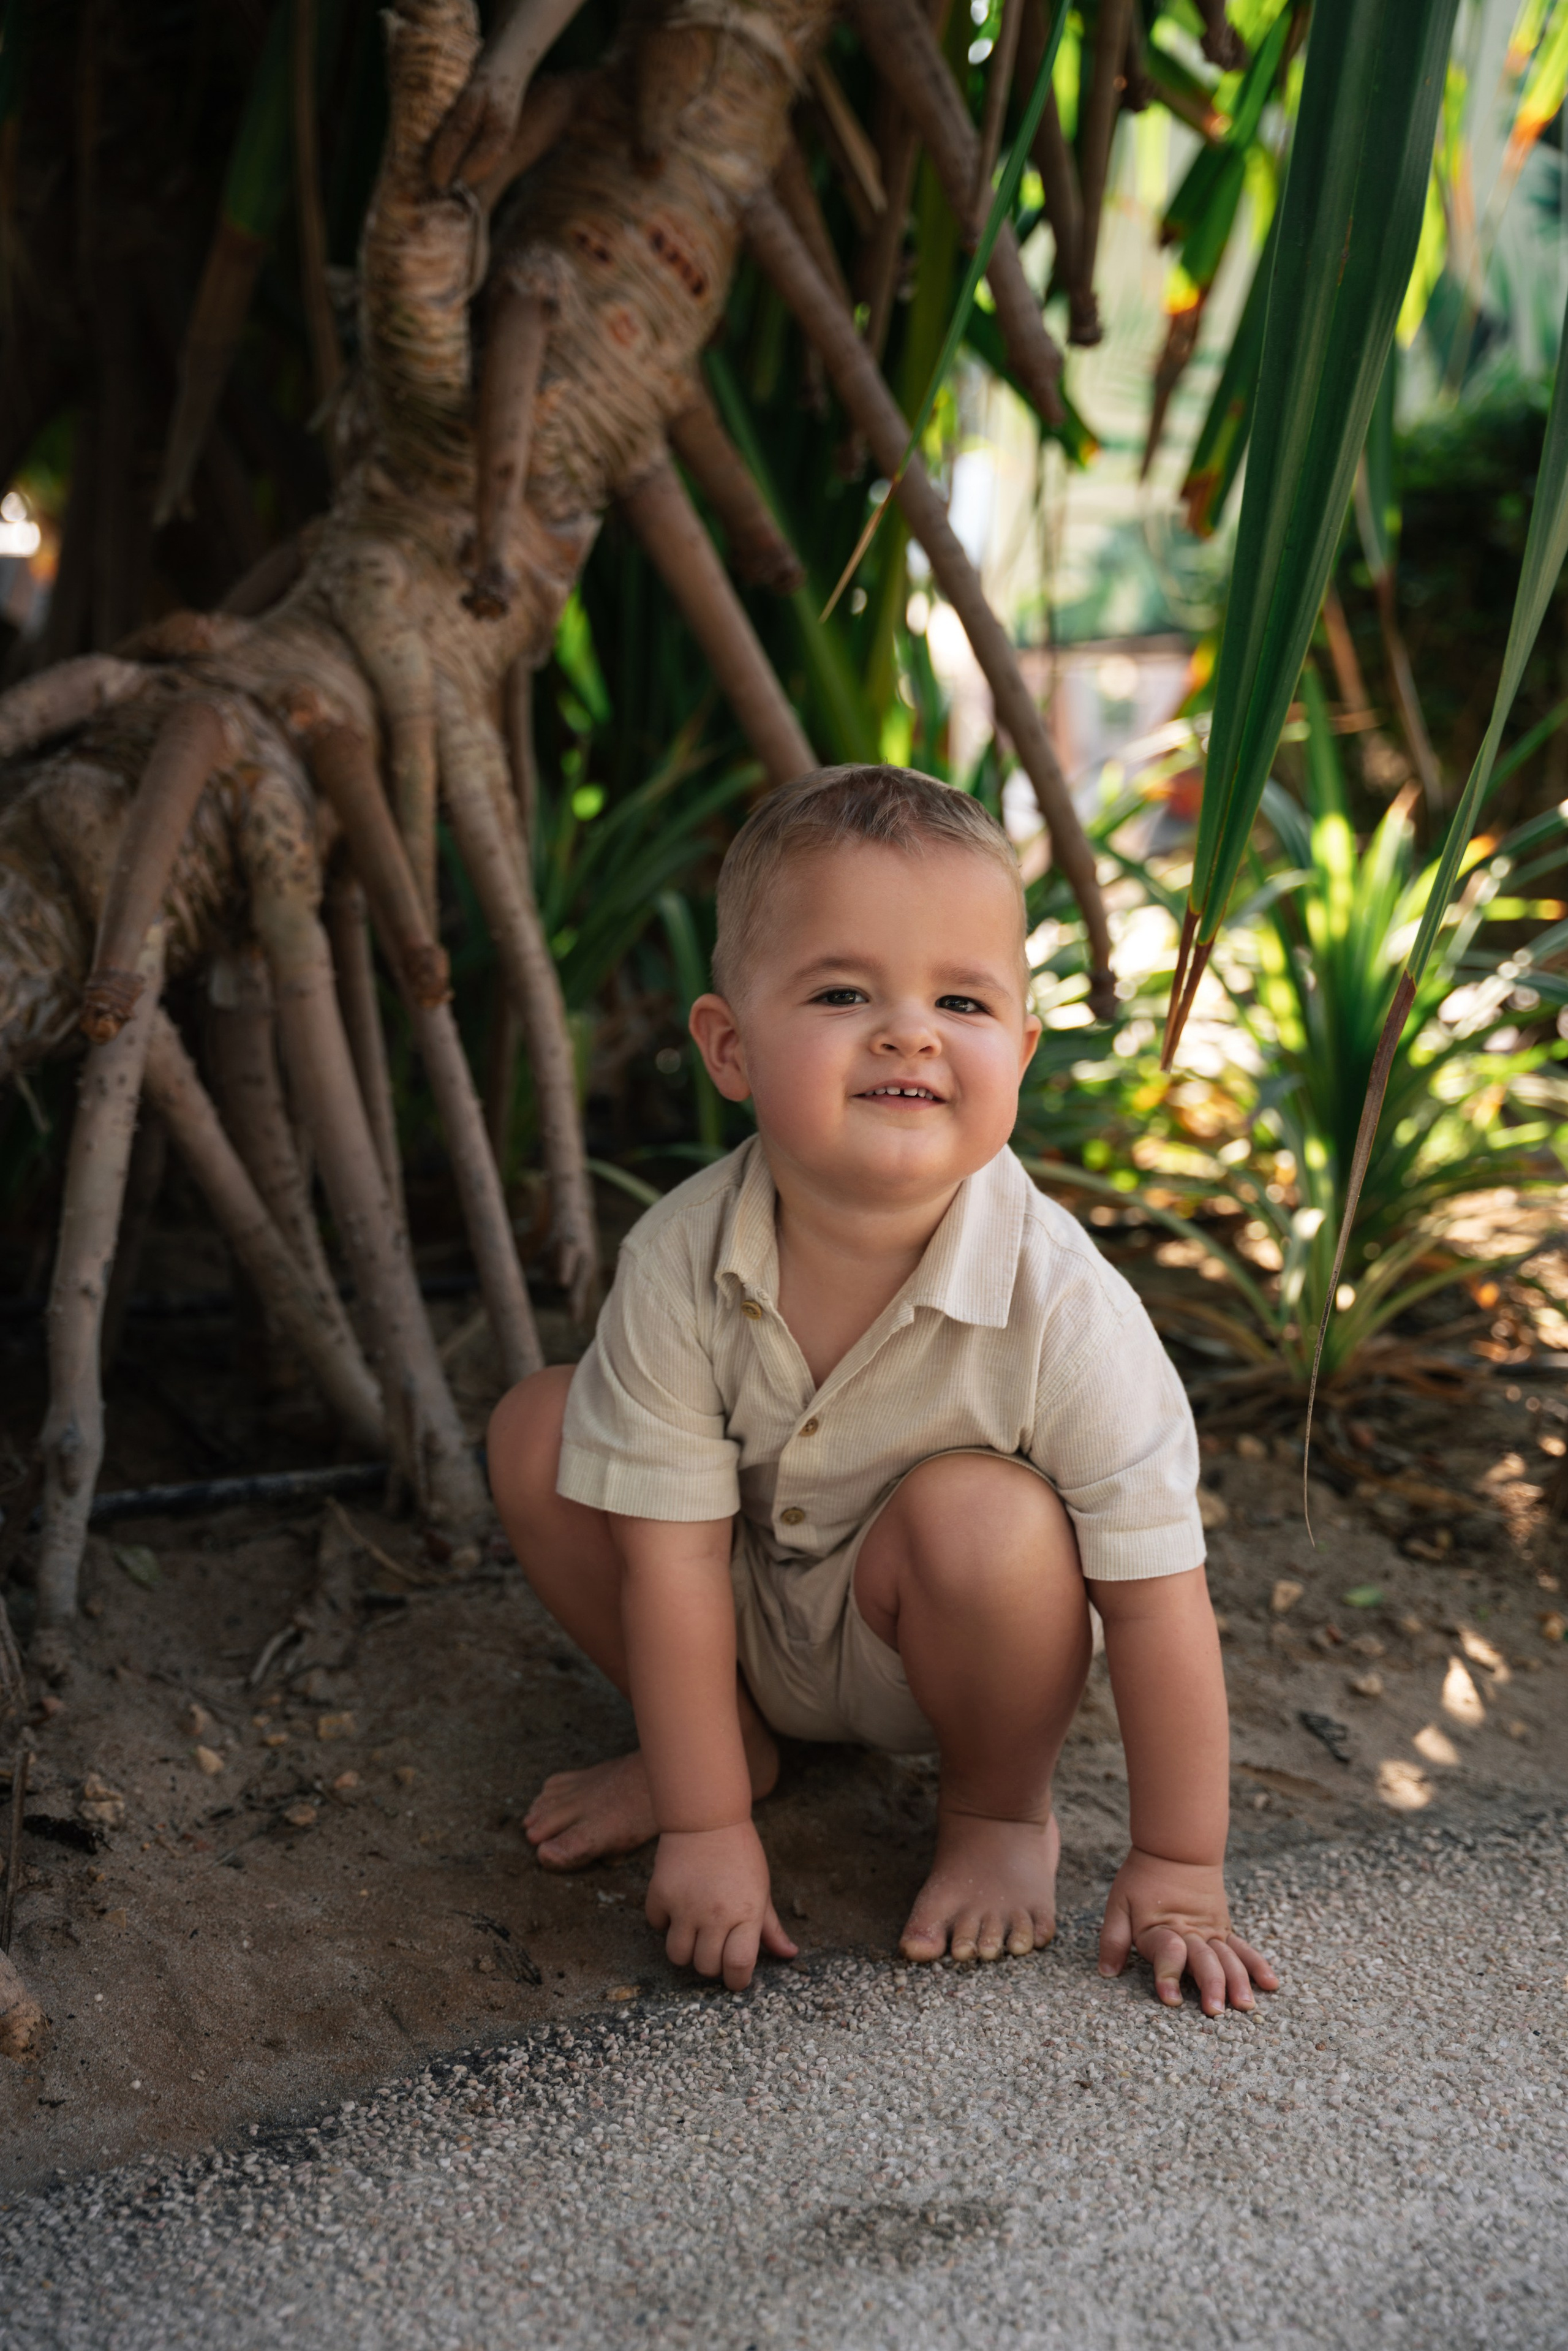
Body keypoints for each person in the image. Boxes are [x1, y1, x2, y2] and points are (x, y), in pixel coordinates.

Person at [489, 764, 1277, 2013]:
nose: (908, 1029)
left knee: (984, 1514)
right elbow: (672, 1562)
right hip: (734, 1616)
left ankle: (991, 1812)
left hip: (940, 1649)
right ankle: (717, 1750)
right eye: (844, 990)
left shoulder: (1061, 1302)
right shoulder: (678, 1259)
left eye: (959, 998)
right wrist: (704, 1828)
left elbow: (1154, 1598)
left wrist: (1178, 1868)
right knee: (542, 1424)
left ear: (1017, 1049)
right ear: (730, 1046)